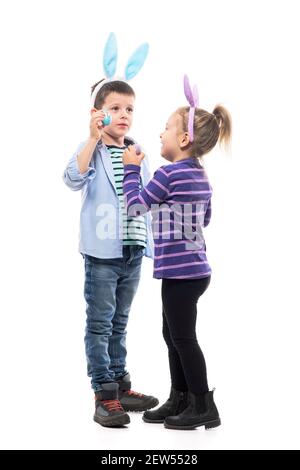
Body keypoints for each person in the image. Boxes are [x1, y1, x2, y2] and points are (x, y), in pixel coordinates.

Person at [122, 75, 232, 430]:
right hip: (197, 272)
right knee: (173, 335)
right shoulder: (201, 176)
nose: (160, 134)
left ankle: (202, 404)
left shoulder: (167, 174)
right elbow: (207, 218)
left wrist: (131, 169)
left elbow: (136, 207)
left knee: (182, 338)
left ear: (183, 139)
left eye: (166, 129)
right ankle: (180, 397)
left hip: (179, 274)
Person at [63, 34, 158, 428]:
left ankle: (119, 384)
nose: (123, 115)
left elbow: (149, 197)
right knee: (100, 322)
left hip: (133, 249)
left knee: (121, 320)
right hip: (102, 252)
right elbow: (72, 178)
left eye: (129, 109)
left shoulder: (136, 150)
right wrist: (90, 137)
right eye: (115, 108)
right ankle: (103, 393)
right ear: (98, 112)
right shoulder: (93, 150)